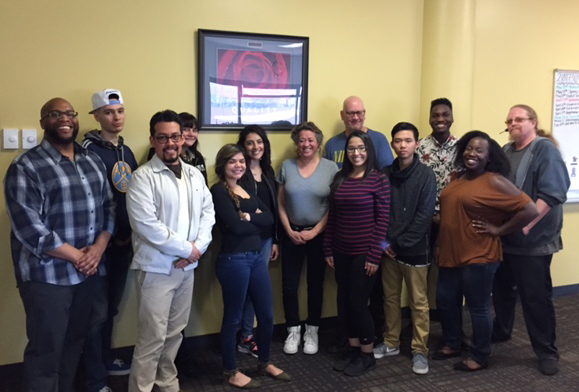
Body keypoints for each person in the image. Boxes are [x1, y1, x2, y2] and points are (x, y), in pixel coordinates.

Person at [4, 98, 115, 392]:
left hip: (88, 273)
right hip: (48, 276)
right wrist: (79, 256)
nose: (64, 119)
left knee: (73, 345)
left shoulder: (91, 161)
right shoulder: (26, 166)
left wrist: (100, 247)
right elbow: (30, 228)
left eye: (69, 114)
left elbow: (109, 207)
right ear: (43, 122)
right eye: (55, 114)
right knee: (46, 352)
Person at [126, 110, 215, 392]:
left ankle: (167, 383)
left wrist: (197, 248)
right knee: (152, 338)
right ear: (153, 140)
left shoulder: (193, 174)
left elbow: (207, 214)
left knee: (174, 334)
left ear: (183, 138)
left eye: (175, 136)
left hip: (187, 268)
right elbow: (146, 225)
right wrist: (187, 248)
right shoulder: (142, 177)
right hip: (156, 270)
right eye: (162, 137)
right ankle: (140, 388)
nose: (170, 143)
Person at [435, 131, 538, 372]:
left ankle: (480, 356)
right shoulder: (457, 178)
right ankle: (452, 343)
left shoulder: (494, 181)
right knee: (446, 301)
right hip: (450, 253)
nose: (472, 153)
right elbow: (449, 216)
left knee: (478, 307)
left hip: (479, 254)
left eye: (479, 150)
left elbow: (530, 210)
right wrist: (439, 244)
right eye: (469, 148)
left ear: (489, 157)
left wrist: (499, 229)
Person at [492, 105, 571, 376]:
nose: (513, 123)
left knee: (535, 298)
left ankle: (547, 351)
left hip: (533, 243)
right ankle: (501, 331)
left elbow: (552, 194)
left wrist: (526, 227)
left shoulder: (544, 150)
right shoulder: (506, 151)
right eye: (509, 120)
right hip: (507, 238)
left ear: (533, 122)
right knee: (502, 290)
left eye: (519, 119)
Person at [211, 144, 290, 388]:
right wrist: (249, 219)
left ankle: (264, 362)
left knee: (266, 315)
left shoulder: (245, 189)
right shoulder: (219, 191)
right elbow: (235, 227)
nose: (238, 165)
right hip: (234, 260)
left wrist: (247, 216)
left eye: (241, 161)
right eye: (232, 161)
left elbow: (269, 218)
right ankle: (231, 370)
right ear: (222, 165)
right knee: (233, 319)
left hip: (257, 258)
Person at [81, 89, 138, 385]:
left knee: (111, 308)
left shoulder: (126, 152)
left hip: (125, 243)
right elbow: (93, 201)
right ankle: (94, 377)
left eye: (120, 111)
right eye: (108, 112)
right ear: (97, 116)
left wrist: (130, 234)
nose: (116, 118)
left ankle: (104, 358)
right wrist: (109, 235)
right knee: (96, 313)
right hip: (100, 245)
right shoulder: (88, 152)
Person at [324, 131, 389, 377]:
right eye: (351, 149)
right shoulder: (340, 178)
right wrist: (328, 248)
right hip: (341, 252)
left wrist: (375, 255)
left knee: (358, 304)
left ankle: (366, 354)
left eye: (361, 148)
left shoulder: (378, 179)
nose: (356, 153)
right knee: (345, 302)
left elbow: (383, 221)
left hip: (365, 253)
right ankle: (353, 349)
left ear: (368, 150)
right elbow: (334, 218)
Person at [374, 122, 436, 375]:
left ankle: (420, 350)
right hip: (388, 250)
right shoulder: (384, 173)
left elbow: (424, 217)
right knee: (389, 299)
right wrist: (384, 243)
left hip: (414, 250)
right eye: (398, 141)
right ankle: (391, 342)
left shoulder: (426, 175)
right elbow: (377, 212)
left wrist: (397, 244)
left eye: (408, 141)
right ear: (392, 144)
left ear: (416, 144)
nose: (403, 145)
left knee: (418, 303)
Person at [278, 122, 339, 355]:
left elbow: (333, 207)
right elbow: (280, 203)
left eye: (310, 140)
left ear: (318, 143)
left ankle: (312, 330)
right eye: (302, 140)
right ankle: (293, 329)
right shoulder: (286, 166)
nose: (306, 144)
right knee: (289, 286)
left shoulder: (331, 168)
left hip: (319, 235)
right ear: (296, 143)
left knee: (315, 285)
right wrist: (289, 230)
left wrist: (315, 231)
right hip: (291, 234)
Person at [236, 125, 279, 358]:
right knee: (246, 291)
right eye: (250, 143)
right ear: (243, 146)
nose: (256, 147)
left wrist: (275, 241)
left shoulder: (269, 172)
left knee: (257, 291)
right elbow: (240, 212)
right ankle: (245, 336)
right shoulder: (238, 174)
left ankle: (247, 336)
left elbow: (273, 210)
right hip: (246, 242)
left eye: (260, 142)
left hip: (265, 241)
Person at [324, 96, 394, 170]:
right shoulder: (331, 144)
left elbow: (388, 173)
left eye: (359, 113)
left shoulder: (379, 139)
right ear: (342, 115)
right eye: (351, 113)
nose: (355, 118)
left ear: (364, 114)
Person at [147, 112, 207, 183]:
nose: (191, 134)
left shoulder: (197, 156)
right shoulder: (164, 154)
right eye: (186, 130)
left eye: (195, 130)